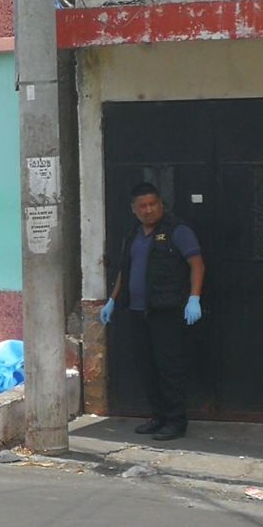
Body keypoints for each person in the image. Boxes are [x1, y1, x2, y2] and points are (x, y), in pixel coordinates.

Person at [100, 182, 205, 441]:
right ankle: (158, 416)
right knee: (147, 368)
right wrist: (112, 300)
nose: (149, 210)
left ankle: (176, 421)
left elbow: (197, 264)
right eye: (143, 206)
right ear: (134, 210)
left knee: (169, 368)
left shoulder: (177, 231)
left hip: (166, 312)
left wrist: (194, 298)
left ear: (161, 204)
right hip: (138, 312)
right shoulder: (134, 234)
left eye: (153, 204)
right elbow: (125, 270)